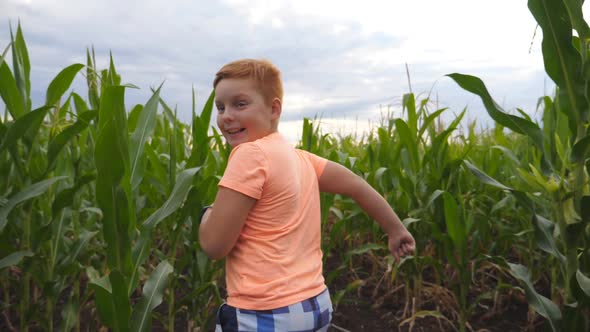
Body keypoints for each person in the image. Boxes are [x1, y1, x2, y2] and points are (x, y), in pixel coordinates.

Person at [198, 59, 415, 332]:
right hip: (314, 305)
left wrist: (206, 215)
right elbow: (357, 185)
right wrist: (395, 230)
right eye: (220, 107)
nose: (226, 115)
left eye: (240, 104)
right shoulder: (301, 159)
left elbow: (215, 246)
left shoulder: (249, 155)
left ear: (274, 108)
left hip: (265, 313)